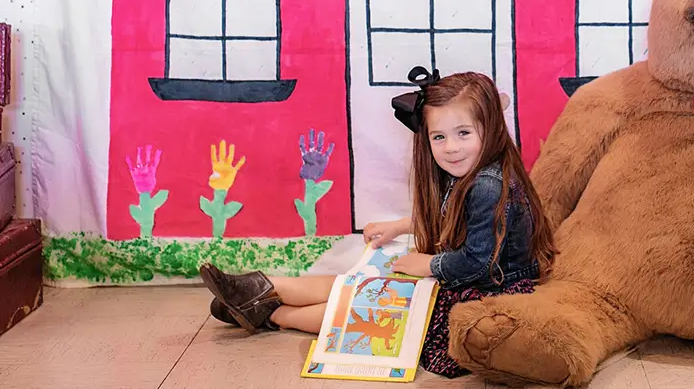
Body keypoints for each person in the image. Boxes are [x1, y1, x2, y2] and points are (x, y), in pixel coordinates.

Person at [198, 66, 557, 377]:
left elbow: (477, 264)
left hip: (488, 290)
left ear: (491, 128)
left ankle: (272, 312)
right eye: (439, 137)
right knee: (365, 282)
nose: (451, 147)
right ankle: (259, 288)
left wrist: (429, 263)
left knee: (372, 305)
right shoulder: (470, 174)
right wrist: (403, 225)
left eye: (464, 133)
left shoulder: (488, 186)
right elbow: (456, 216)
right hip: (465, 277)